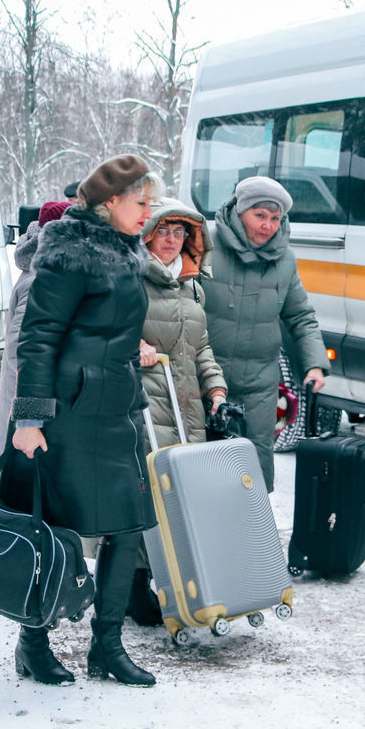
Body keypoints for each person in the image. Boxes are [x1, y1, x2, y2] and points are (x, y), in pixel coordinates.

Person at [9, 154, 163, 687]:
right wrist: (29, 418)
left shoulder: (127, 251)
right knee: (57, 531)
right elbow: (39, 336)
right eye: (141, 203)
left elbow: (106, 326)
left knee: (128, 524)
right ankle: (33, 643)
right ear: (111, 202)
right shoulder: (69, 251)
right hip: (69, 412)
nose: (149, 213)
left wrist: (132, 346)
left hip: (118, 406)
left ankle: (107, 647)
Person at [130, 198, 228, 625]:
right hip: (149, 403)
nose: (172, 241)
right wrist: (135, 345)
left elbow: (201, 346)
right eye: (164, 231)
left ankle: (184, 583)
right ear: (149, 233)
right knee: (149, 494)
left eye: (180, 233)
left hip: (186, 403)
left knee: (184, 497)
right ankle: (136, 589)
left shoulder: (190, 284)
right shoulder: (133, 279)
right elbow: (108, 329)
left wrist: (217, 389)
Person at [203, 176, 328, 491]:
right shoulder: (205, 245)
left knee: (254, 469)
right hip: (206, 378)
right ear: (240, 211)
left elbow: (301, 315)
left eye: (275, 218)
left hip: (260, 382)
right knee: (202, 465)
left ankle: (250, 534)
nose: (268, 225)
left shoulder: (284, 260)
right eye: (260, 215)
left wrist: (314, 363)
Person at [0, 200, 71, 455]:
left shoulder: (43, 270)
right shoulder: (41, 279)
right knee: (24, 483)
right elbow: (22, 352)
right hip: (27, 414)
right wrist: (31, 418)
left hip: (29, 405)